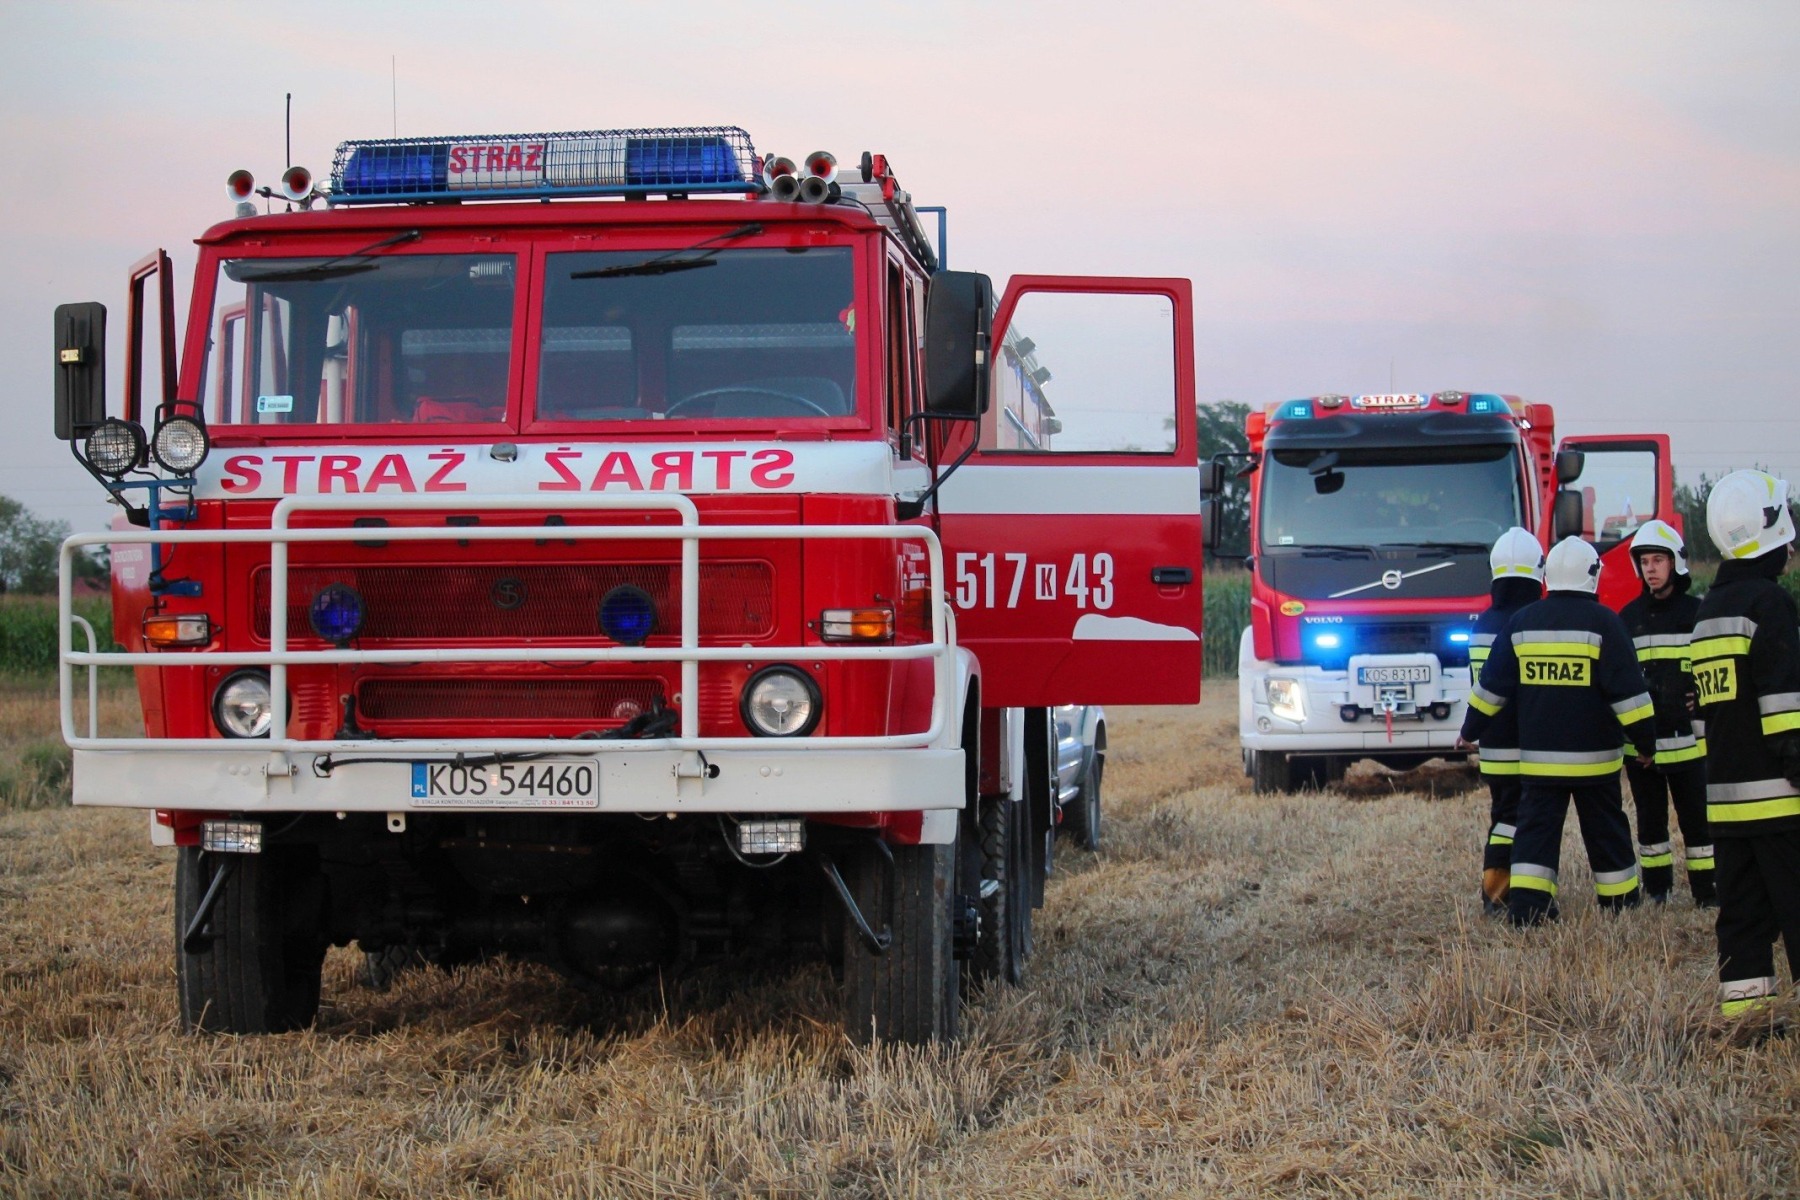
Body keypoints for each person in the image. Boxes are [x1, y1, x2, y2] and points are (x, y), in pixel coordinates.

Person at [1461, 537, 1657, 926]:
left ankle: (1528, 910)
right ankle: (1620, 906)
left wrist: (1471, 729)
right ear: (1593, 576)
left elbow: (1491, 687)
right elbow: (1629, 695)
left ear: (1548, 576)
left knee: (1535, 833)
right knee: (1606, 832)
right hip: (1595, 763)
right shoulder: (1606, 623)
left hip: (1539, 763)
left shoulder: (1522, 622)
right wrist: (1645, 743)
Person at [1691, 469, 1800, 1019]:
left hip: (1726, 798)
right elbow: (1783, 705)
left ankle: (1749, 1018)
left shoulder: (1709, 610)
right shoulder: (1770, 604)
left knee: (1742, 913)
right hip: (1779, 796)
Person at [1619, 520, 1714, 906]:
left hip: (1690, 744)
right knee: (1651, 825)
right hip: (1643, 747)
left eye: (1659, 560)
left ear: (1676, 563)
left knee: (1698, 824)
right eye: (1645, 561)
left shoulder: (1700, 613)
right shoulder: (1627, 618)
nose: (1651, 569)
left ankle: (1708, 894)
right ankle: (1658, 892)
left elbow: (1715, 666)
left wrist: (1704, 698)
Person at [1467, 527, 1546, 914]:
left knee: (1503, 816)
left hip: (1494, 746)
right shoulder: (1533, 622)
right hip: (1530, 742)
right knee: (1529, 821)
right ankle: (1522, 899)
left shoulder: (1481, 625)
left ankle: (1496, 893)